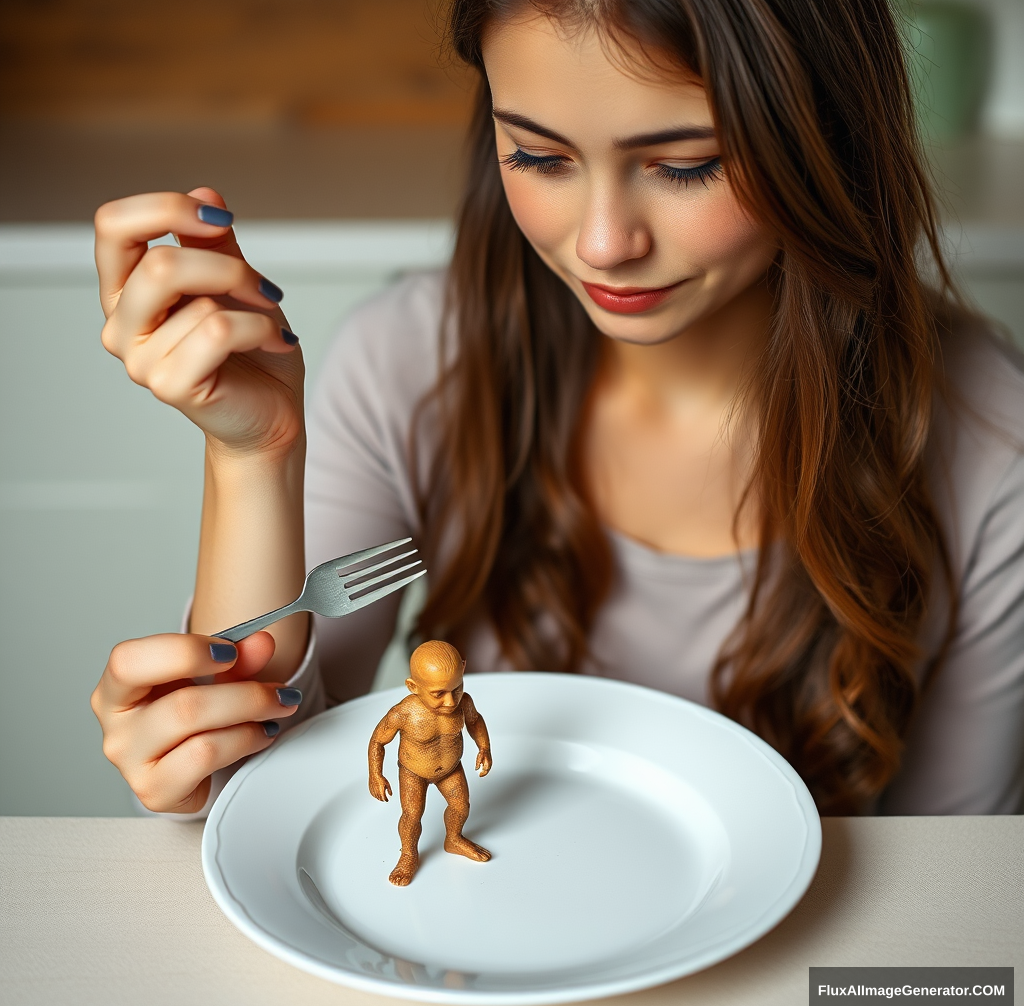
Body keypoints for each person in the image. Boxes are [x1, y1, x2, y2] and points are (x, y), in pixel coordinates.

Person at [89, 0, 1024, 819]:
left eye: (687, 165)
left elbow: (951, 913)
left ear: (826, 138)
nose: (604, 244)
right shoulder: (413, 359)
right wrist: (256, 457)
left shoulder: (991, 440)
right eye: (537, 155)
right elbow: (247, 795)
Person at [368, 640, 492, 886]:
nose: (450, 701)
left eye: (456, 689)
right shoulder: (403, 713)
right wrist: (375, 775)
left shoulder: (463, 702)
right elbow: (378, 741)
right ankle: (408, 854)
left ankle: (453, 839)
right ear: (413, 686)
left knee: (461, 806)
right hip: (414, 772)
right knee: (412, 814)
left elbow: (475, 721)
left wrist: (484, 747)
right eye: (438, 694)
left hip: (450, 768)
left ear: (463, 669)